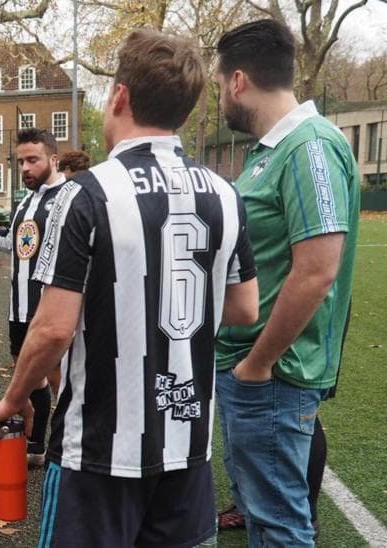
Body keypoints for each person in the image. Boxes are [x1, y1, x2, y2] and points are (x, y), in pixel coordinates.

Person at [0, 29, 260, 547]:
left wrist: (13, 399)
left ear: (120, 97)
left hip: (98, 451)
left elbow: (53, 329)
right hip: (188, 445)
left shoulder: (85, 194)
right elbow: (245, 307)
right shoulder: (226, 194)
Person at [213, 19, 360, 547]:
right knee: (262, 512)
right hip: (249, 370)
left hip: (271, 376)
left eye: (218, 82)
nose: (220, 96)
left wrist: (258, 363)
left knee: (279, 526)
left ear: (237, 81)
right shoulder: (272, 150)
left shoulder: (309, 146)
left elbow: (318, 269)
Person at [0, 128, 68, 468]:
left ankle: (67, 447)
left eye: (32, 160)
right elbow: (12, 244)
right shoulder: (26, 200)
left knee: (58, 380)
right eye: (20, 161)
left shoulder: (71, 197)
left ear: (53, 159)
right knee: (30, 377)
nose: (24, 167)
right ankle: (36, 445)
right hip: (19, 309)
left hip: (51, 309)